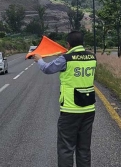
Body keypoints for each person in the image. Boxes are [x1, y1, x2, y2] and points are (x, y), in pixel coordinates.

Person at [33, 31, 96, 167]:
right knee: (84, 149)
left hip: (70, 110)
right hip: (89, 109)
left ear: (68, 44)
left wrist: (39, 60)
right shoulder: (92, 57)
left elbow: (47, 69)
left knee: (66, 149)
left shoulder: (66, 59)